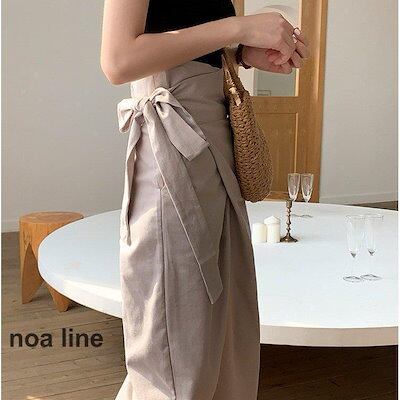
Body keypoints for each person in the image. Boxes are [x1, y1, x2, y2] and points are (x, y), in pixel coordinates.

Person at [100, 1, 309, 399]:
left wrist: (241, 54)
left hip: (212, 146)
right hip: (174, 149)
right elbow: (118, 60)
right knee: (177, 351)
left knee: (223, 339)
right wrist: (238, 28)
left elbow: (183, 34)